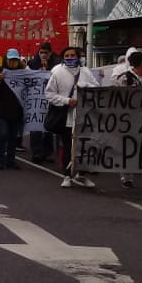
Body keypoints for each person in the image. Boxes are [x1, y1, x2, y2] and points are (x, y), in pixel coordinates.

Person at [45, 46, 95, 188]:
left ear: (78, 57)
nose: (70, 58)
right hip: (66, 117)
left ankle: (81, 175)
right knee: (68, 146)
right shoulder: (58, 72)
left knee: (84, 146)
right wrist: (67, 101)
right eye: (67, 56)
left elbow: (96, 88)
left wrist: (85, 87)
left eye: (73, 55)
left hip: (84, 117)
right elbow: (49, 94)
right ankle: (67, 175)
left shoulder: (85, 72)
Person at [112, 50, 142, 192]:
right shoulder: (124, 78)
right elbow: (118, 97)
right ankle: (127, 178)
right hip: (128, 120)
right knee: (128, 149)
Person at [0, 48, 25, 170]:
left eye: (15, 60)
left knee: (13, 137)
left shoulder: (22, 72)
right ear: (6, 60)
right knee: (3, 134)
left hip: (16, 110)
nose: (13, 62)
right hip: (1, 110)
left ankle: (11, 160)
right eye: (11, 60)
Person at [26, 42, 57, 163]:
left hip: (49, 100)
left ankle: (47, 153)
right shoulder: (32, 63)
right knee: (36, 128)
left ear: (50, 53)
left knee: (48, 128)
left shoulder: (56, 63)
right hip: (36, 101)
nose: (43, 55)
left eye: (46, 53)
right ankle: (36, 152)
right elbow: (27, 79)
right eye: (41, 52)